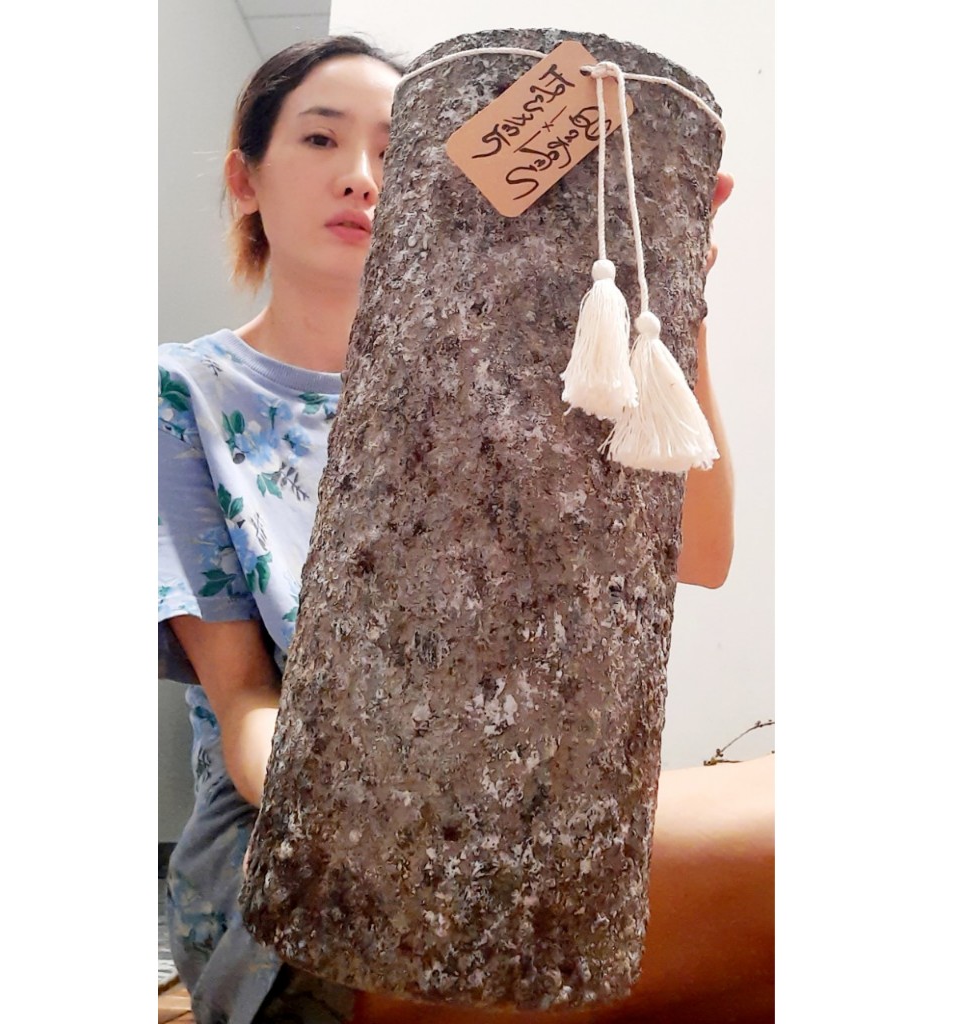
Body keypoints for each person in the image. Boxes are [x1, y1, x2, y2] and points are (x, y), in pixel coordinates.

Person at [158, 34, 772, 1024]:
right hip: (303, 863)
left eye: (396, 151)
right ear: (245, 179)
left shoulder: (494, 384)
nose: (362, 177)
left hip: (511, 826)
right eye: (320, 139)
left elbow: (700, 556)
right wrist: (427, 832)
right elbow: (245, 709)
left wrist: (674, 305)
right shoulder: (181, 397)